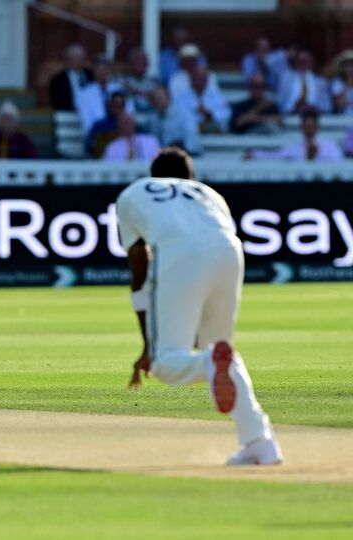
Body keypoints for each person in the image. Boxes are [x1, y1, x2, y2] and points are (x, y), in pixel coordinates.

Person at [117, 147, 284, 466]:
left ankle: (209, 364)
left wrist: (147, 345)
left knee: (166, 363)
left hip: (179, 252)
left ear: (155, 176)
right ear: (190, 178)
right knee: (223, 353)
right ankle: (260, 443)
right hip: (230, 251)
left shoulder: (133, 194)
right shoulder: (207, 193)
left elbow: (139, 271)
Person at [247, 111, 342, 162]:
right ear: (301, 128)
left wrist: (317, 157)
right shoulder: (294, 149)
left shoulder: (330, 147)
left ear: (317, 127)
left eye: (312, 126)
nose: (309, 129)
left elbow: (338, 163)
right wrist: (255, 154)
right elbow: (274, 156)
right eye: (306, 126)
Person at [76, 55, 128, 132]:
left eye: (105, 68)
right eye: (99, 68)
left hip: (120, 131)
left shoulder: (119, 89)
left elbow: (129, 112)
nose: (102, 72)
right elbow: (86, 121)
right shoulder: (84, 94)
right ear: (94, 70)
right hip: (97, 133)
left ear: (109, 70)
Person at [144, 86, 202, 155]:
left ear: (169, 98)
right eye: (154, 99)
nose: (157, 101)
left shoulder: (184, 114)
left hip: (185, 155)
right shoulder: (152, 117)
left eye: (159, 98)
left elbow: (192, 138)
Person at [174, 66, 230, 134]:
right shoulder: (182, 98)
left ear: (206, 81)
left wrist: (209, 114)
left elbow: (226, 114)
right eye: (196, 79)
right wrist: (195, 111)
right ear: (191, 81)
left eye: (202, 80)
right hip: (190, 131)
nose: (198, 82)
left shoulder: (217, 96)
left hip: (212, 129)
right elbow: (179, 116)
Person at [276, 50, 329, 114]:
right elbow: (279, 103)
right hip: (289, 115)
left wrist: (315, 108)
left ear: (311, 62)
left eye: (305, 61)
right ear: (295, 63)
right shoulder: (285, 79)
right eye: (300, 61)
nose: (303, 64)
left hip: (313, 117)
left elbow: (327, 106)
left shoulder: (321, 82)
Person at [49, 44, 92, 112]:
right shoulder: (58, 80)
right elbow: (57, 102)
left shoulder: (91, 75)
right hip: (68, 113)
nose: (79, 60)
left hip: (90, 113)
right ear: (67, 59)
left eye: (81, 57)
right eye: (75, 57)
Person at [85, 91, 127, 158]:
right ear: (110, 106)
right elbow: (89, 147)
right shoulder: (99, 125)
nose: (119, 109)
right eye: (116, 105)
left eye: (121, 105)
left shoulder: (130, 125)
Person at [121, 48, 159, 114]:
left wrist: (136, 91)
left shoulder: (153, 82)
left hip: (151, 117)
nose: (141, 65)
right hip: (131, 117)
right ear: (131, 64)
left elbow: (157, 100)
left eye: (143, 63)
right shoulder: (123, 81)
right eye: (138, 62)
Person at [329, 50, 353, 115]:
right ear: (343, 67)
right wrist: (348, 83)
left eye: (352, 65)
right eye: (347, 66)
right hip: (344, 120)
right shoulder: (337, 83)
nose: (350, 69)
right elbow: (339, 105)